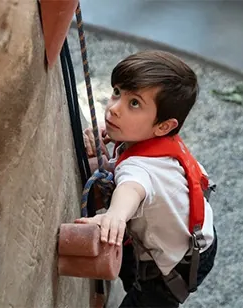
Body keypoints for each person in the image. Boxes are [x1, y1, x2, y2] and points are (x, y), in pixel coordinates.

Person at [78, 50, 218, 307]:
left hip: (177, 266)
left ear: (164, 126)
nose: (114, 108)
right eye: (117, 92)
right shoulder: (155, 138)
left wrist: (115, 216)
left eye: (134, 104)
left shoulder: (140, 170)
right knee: (130, 266)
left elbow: (133, 188)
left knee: (144, 295)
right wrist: (111, 135)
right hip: (195, 235)